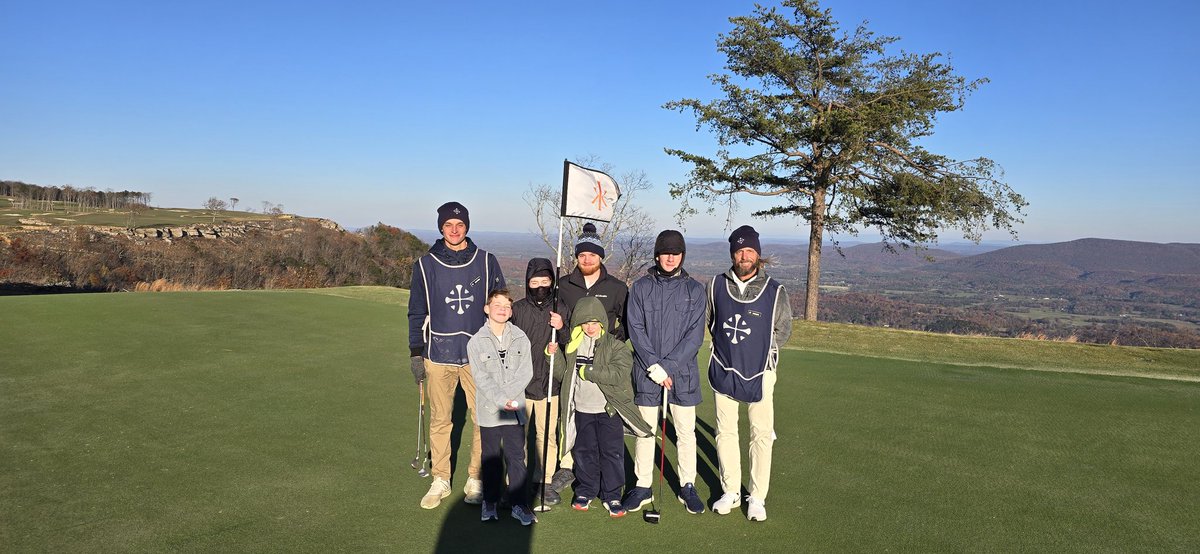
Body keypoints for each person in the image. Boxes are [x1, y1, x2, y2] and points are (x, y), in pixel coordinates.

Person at [408, 201, 506, 509]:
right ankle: (441, 479)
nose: (454, 229)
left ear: (467, 227)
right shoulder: (424, 265)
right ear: (440, 228)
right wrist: (415, 352)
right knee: (441, 419)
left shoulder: (487, 262)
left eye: (460, 225)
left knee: (482, 419)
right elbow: (416, 312)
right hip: (438, 354)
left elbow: (501, 307)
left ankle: (475, 477)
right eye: (449, 225)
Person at [706, 225, 792, 522]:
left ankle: (756, 497)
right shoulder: (716, 285)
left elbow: (782, 330)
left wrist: (760, 353)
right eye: (740, 250)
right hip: (724, 368)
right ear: (733, 254)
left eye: (750, 250)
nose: (744, 256)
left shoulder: (775, 290)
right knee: (725, 433)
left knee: (761, 435)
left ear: (758, 254)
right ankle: (730, 490)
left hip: (761, 372)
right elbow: (710, 322)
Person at [623, 230, 707, 514]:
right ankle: (643, 486)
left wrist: (667, 367)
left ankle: (687, 486)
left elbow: (695, 337)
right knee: (645, 432)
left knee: (685, 433)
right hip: (647, 374)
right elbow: (635, 329)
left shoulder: (695, 290)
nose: (670, 258)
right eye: (665, 252)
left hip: (682, 375)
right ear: (657, 255)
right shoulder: (641, 287)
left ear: (682, 255)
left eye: (676, 252)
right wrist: (654, 367)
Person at [551, 297, 652, 518]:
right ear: (578, 322)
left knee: (611, 453)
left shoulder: (616, 346)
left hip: (609, 410)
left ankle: (612, 494)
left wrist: (590, 372)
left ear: (603, 324)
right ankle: (586, 490)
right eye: (585, 322)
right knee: (584, 452)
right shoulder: (572, 346)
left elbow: (618, 374)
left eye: (595, 322)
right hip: (581, 409)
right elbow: (564, 375)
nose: (590, 327)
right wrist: (555, 355)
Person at [550, 222, 630, 495]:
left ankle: (605, 482)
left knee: (600, 422)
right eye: (582, 255)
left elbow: (627, 324)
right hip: (570, 358)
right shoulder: (564, 285)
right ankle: (569, 466)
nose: (586, 259)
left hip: (602, 367)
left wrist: (611, 348)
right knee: (572, 413)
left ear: (600, 257)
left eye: (592, 255)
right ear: (576, 257)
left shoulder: (616, 287)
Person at [466, 289, 537, 526]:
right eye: (497, 304)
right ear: (487, 309)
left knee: (517, 456)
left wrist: (507, 398)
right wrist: (500, 398)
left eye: (507, 305)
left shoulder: (521, 338)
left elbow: (525, 372)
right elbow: (481, 377)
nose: (502, 309)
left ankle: (518, 503)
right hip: (489, 408)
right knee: (492, 457)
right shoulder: (476, 342)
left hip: (514, 407)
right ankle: (490, 502)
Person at [510, 258, 571, 506]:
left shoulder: (560, 309)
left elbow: (571, 343)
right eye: (535, 282)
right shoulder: (518, 309)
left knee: (547, 437)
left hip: (549, 386)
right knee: (516, 437)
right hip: (519, 387)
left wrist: (562, 326)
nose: (540, 286)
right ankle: (515, 482)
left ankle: (544, 482)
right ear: (527, 283)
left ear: (552, 283)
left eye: (545, 281)